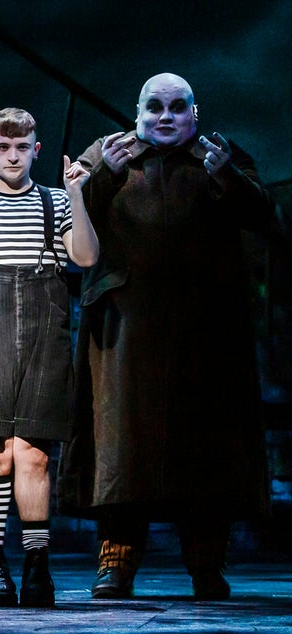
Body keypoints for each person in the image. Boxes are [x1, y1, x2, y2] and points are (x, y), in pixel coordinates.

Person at [57, 73, 274, 600]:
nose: (166, 117)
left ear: (194, 113)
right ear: (138, 112)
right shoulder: (107, 152)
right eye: (155, 107)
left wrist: (227, 177)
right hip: (123, 330)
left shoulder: (219, 154)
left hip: (207, 330)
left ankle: (206, 562)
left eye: (178, 107)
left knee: (206, 445)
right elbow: (69, 222)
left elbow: (264, 216)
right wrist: (102, 176)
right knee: (120, 446)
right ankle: (116, 559)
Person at [0, 108, 97, 608]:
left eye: (22, 148)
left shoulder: (55, 200)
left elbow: (86, 258)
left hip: (45, 329)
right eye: (3, 148)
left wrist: (76, 193)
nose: (12, 157)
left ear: (36, 150)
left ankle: (36, 562)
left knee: (33, 454)